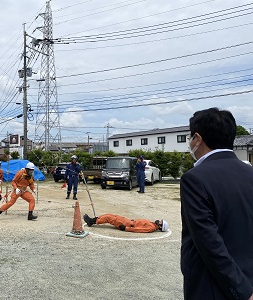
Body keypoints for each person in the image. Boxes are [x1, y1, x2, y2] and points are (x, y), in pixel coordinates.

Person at [180, 107, 253, 300]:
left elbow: (209, 243)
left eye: (190, 138)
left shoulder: (195, 178)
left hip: (212, 285)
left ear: (197, 138)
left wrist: (243, 291)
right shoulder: (249, 173)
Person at [83, 213, 169, 233]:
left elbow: (138, 229)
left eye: (161, 222)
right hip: (129, 221)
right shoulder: (152, 224)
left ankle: (91, 221)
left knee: (109, 218)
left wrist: (125, 228)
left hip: (127, 224)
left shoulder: (151, 227)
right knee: (109, 215)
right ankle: (94, 219)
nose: (159, 221)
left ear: (160, 227)